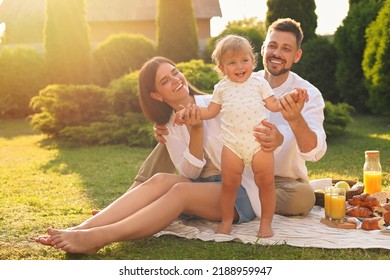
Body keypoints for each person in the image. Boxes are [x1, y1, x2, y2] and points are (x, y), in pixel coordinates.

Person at [35, 57, 261, 254]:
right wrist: (194, 132)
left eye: (175, 72)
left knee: (181, 190)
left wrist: (198, 128)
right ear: (156, 95)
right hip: (205, 187)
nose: (175, 80)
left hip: (241, 192)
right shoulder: (168, 126)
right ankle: (81, 228)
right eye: (165, 81)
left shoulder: (218, 105)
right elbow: (190, 172)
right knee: (161, 180)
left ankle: (97, 238)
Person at [130, 17, 327, 217]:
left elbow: (315, 153)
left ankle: (232, 201)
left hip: (282, 179)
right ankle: (135, 194)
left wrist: (294, 121)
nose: (277, 53)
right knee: (171, 130)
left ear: (297, 55)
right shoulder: (241, 76)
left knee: (303, 198)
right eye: (273, 46)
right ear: (262, 49)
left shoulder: (308, 94)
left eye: (286, 49)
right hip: (241, 168)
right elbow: (209, 107)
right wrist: (171, 124)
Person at [175, 34, 308, 236]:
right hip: (232, 145)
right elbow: (210, 112)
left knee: (266, 182)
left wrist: (291, 97)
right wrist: (187, 112)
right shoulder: (221, 89)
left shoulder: (259, 84)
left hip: (258, 143)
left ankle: (266, 223)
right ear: (221, 68)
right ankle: (227, 221)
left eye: (244, 60)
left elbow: (274, 104)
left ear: (253, 61)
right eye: (232, 62)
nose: (240, 67)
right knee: (229, 185)